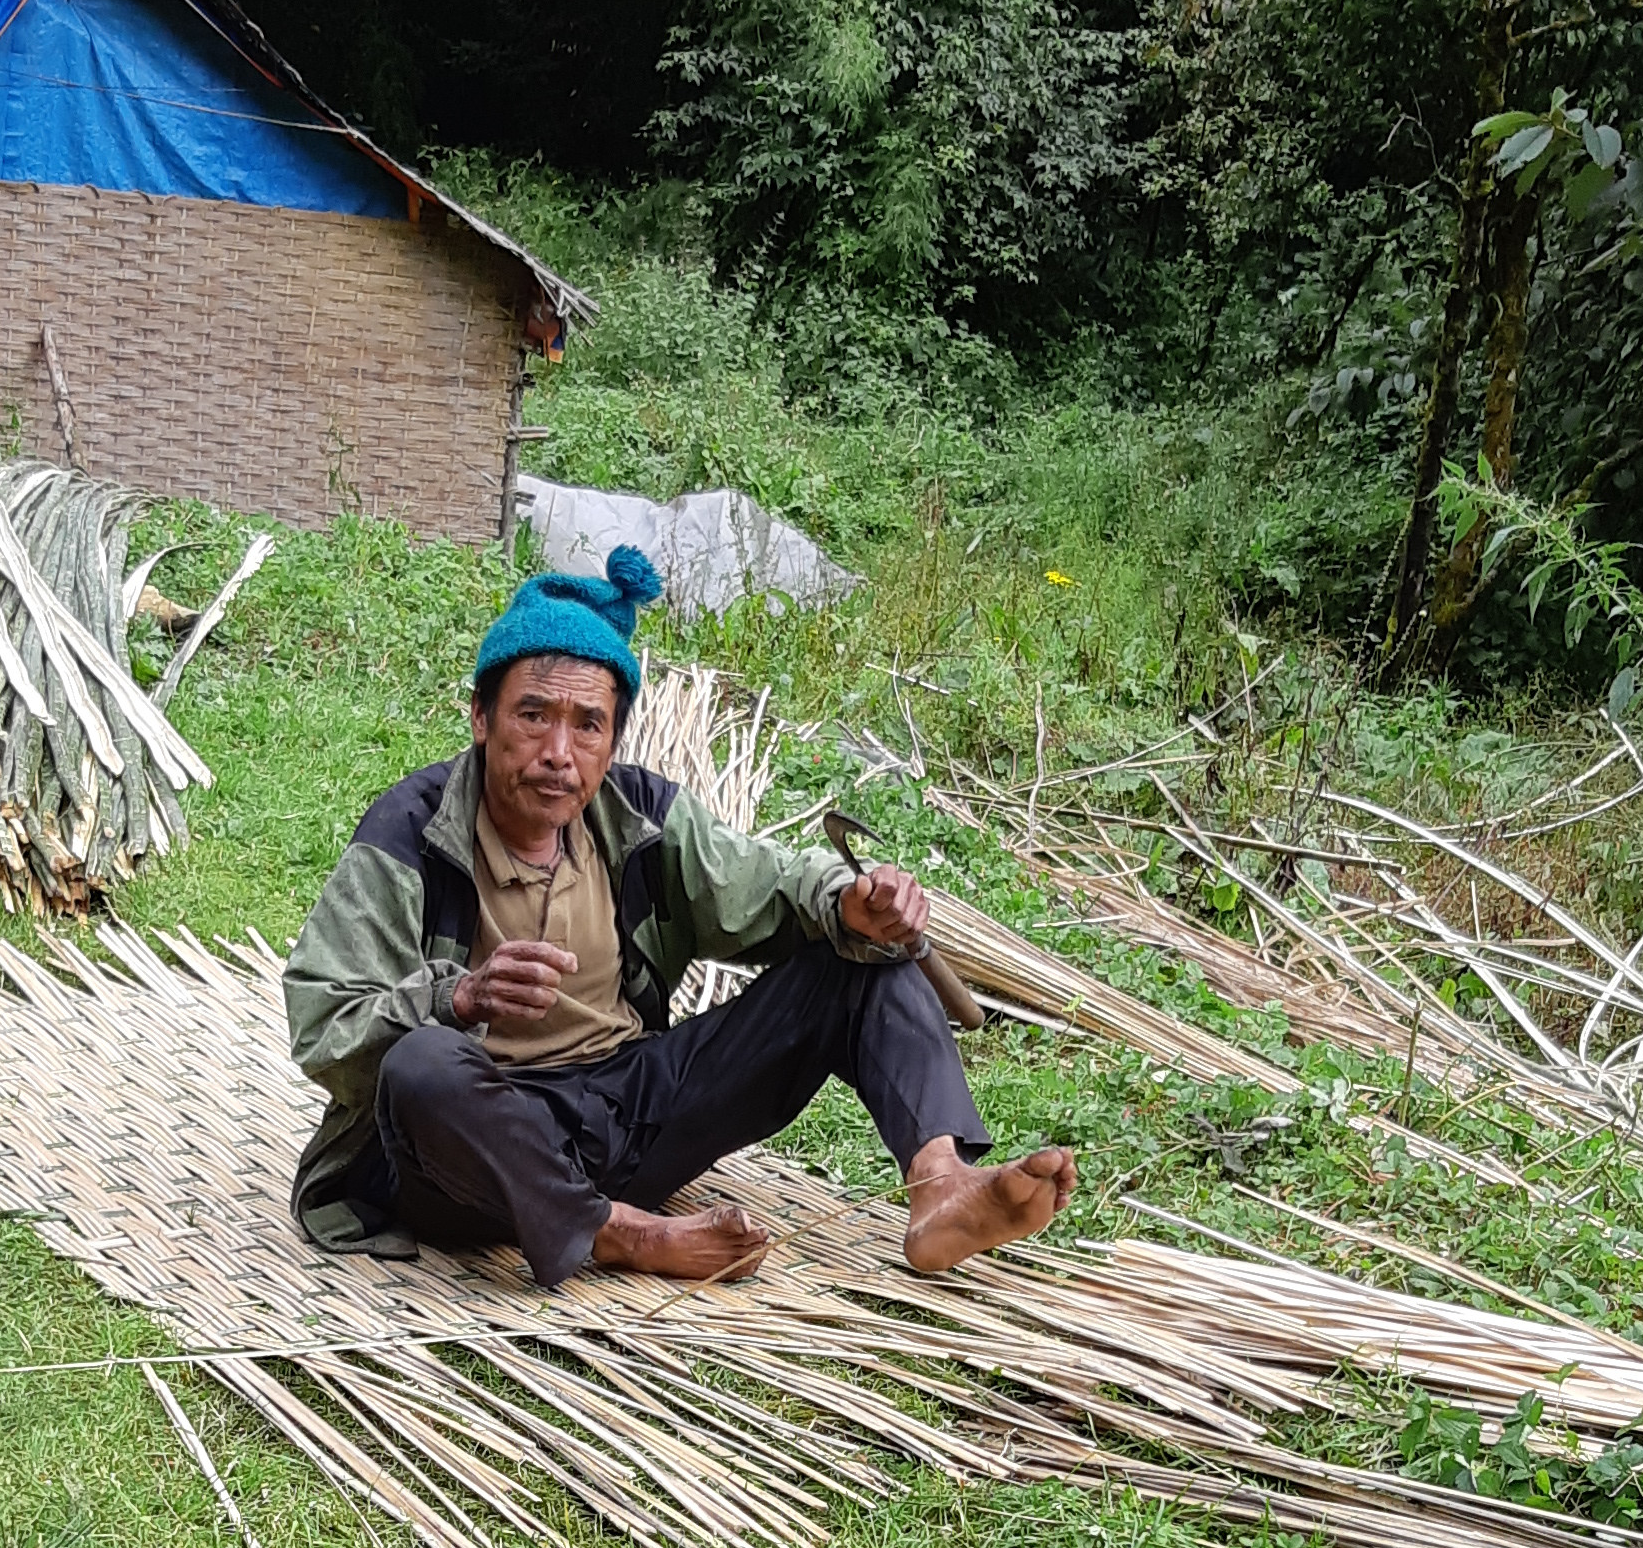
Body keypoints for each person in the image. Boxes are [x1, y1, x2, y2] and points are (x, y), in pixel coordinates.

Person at [283, 545, 1076, 1289]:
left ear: (612, 742)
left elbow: (763, 881)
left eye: (587, 725)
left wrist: (847, 901)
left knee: (860, 954)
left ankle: (939, 1184)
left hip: (633, 1107)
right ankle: (618, 1232)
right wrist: (457, 999)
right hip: (479, 1156)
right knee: (422, 1064)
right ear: (481, 718)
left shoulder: (638, 817)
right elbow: (325, 1027)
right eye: (532, 715)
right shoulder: (409, 833)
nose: (559, 751)